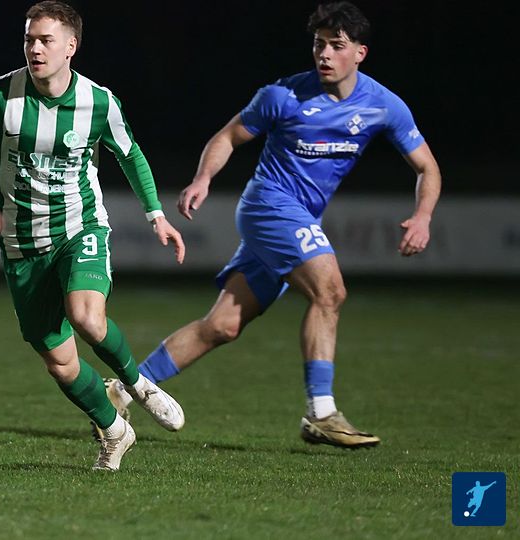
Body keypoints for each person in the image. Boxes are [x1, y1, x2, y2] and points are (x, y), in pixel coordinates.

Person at [108, 1, 442, 449]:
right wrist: (203, 179)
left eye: (336, 45)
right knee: (330, 292)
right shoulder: (283, 96)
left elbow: (427, 167)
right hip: (269, 205)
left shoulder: (383, 105)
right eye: (319, 44)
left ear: (360, 53)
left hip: (297, 218)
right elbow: (228, 136)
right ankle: (321, 412)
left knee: (222, 326)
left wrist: (423, 216)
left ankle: (124, 388)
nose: (324, 54)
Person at [0, 0, 186, 471]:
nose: (35, 48)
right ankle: (115, 430)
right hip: (20, 243)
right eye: (29, 39)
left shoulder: (99, 102)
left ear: (71, 46)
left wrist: (156, 214)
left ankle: (137, 385)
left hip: (78, 227)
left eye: (45, 40)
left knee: (87, 317)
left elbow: (130, 154)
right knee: (61, 363)